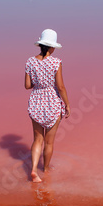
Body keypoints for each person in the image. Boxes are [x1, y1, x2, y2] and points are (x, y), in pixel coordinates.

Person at [24, 29, 71, 183]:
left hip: (36, 101)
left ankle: (32, 170)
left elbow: (27, 85)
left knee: (37, 139)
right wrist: (67, 104)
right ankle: (45, 170)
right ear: (52, 47)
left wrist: (39, 82)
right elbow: (61, 87)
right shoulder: (56, 62)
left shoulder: (30, 61)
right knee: (49, 142)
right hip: (52, 102)